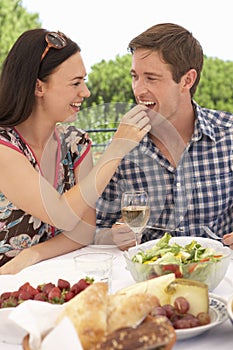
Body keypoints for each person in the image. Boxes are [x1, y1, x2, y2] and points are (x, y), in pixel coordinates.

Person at [0, 29, 151, 274]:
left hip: (47, 278)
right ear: (39, 87)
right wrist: (116, 149)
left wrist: (32, 254)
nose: (86, 92)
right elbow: (61, 215)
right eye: (75, 83)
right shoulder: (4, 147)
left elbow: (82, 231)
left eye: (84, 80)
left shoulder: (76, 143)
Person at [95, 23, 233, 250]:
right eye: (135, 76)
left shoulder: (228, 134)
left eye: (151, 78)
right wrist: (114, 236)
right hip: (151, 277)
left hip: (218, 274)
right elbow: (97, 227)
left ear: (187, 80)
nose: (138, 90)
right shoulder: (122, 146)